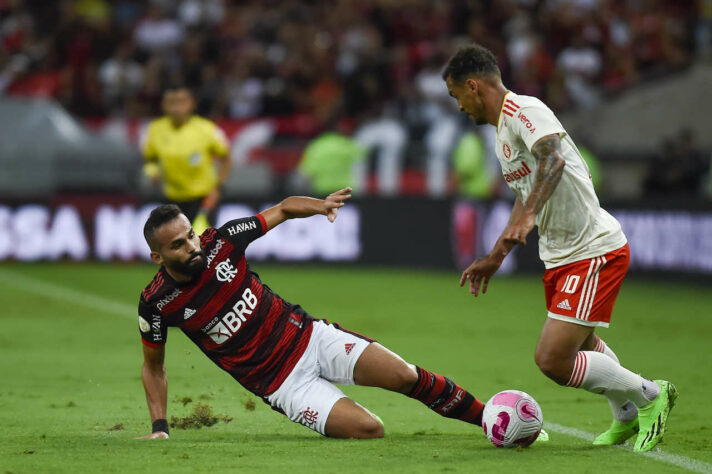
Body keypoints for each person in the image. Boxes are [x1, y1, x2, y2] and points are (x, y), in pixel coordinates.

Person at [442, 44, 677, 452]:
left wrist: (531, 214)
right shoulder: (503, 136)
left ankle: (651, 396)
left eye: (455, 95)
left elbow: (553, 162)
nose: (459, 107)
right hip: (562, 255)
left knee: (552, 359)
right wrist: (496, 255)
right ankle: (625, 415)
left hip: (592, 249)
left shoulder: (525, 111)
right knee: (584, 346)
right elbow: (525, 191)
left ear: (473, 86)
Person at [136, 189, 488, 439]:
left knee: (404, 376)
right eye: (178, 245)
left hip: (311, 338)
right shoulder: (157, 303)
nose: (192, 247)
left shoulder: (223, 242)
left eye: (191, 236)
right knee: (370, 430)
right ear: (158, 257)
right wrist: (160, 428)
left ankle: (490, 418)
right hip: (284, 385)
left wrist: (321, 206)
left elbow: (284, 208)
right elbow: (154, 367)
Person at [142, 85, 230, 231]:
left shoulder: (207, 129)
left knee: (204, 244)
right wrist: (152, 172)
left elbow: (225, 158)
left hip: (203, 198)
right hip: (172, 199)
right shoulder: (155, 130)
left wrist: (217, 187)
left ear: (192, 104)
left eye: (182, 102)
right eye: (171, 102)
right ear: (164, 105)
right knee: (178, 246)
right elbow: (150, 159)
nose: (177, 107)